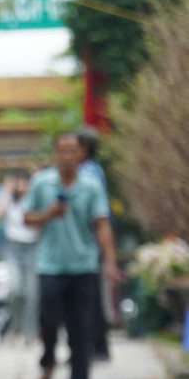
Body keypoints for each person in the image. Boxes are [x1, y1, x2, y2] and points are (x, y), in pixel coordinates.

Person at [23, 132, 118, 379]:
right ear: (55, 153)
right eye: (61, 150)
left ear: (81, 154)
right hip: (50, 265)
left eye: (72, 150)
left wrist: (109, 262)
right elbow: (27, 217)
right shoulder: (42, 183)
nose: (66, 155)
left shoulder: (91, 185)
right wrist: (46, 214)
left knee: (81, 326)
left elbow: (101, 224)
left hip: (83, 265)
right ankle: (48, 359)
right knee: (49, 319)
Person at [75, 126, 113, 361]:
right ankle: (93, 346)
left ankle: (97, 347)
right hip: (86, 243)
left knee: (92, 299)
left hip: (89, 243)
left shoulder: (89, 173)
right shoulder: (90, 170)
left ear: (85, 149)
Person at [0, 170, 39, 341]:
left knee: (32, 294)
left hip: (33, 247)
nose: (21, 187)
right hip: (13, 248)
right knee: (14, 290)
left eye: (25, 183)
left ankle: (29, 332)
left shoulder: (35, 199)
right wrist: (6, 190)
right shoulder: (10, 201)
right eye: (18, 183)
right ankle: (15, 326)